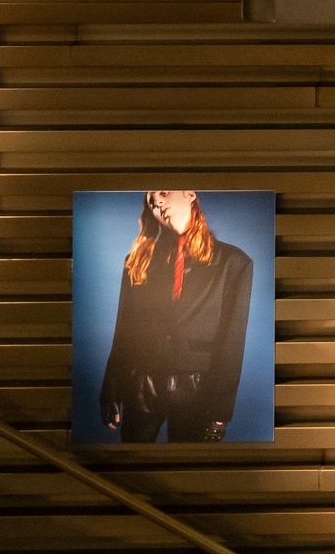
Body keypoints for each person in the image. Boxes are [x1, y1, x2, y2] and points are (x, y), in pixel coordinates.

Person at [96, 189, 255, 444]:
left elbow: (232, 341)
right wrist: (110, 388)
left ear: (190, 194)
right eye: (151, 202)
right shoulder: (137, 260)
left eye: (164, 193)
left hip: (197, 388)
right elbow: (125, 329)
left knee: (189, 472)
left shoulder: (234, 262)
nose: (157, 202)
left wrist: (220, 414)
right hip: (141, 383)